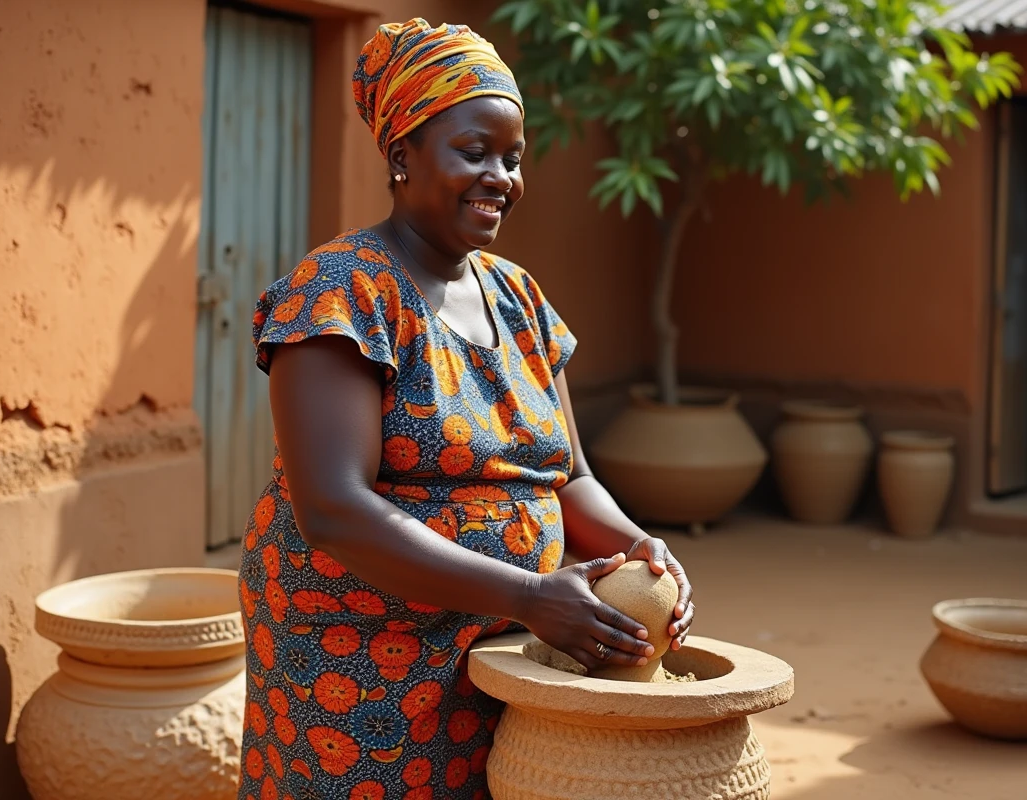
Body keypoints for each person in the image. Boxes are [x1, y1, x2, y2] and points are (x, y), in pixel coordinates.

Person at [237, 18, 695, 799]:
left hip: (507, 650)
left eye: (513, 159)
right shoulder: (341, 292)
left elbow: (568, 473)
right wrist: (525, 592)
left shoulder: (518, 296)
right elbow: (334, 510)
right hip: (361, 662)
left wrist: (642, 550)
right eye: (474, 152)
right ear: (400, 156)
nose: (501, 177)